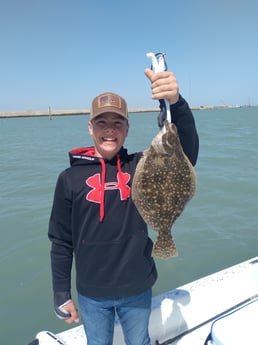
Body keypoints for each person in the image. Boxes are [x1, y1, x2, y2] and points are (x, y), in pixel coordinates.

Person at [48, 68, 199, 345]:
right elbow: (60, 241)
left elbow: (185, 153)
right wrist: (61, 293)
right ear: (90, 127)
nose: (109, 129)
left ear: (127, 129)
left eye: (117, 123)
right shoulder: (69, 179)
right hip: (91, 293)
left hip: (137, 286)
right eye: (101, 122)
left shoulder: (140, 165)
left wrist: (176, 104)